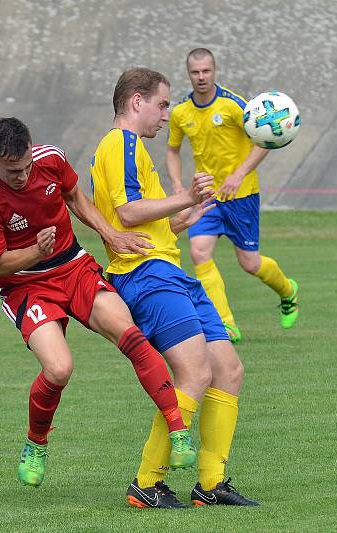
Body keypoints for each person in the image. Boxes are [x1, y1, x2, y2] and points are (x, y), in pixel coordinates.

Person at [0, 117, 197, 488]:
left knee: (131, 335)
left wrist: (111, 233)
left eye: (25, 167)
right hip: (26, 285)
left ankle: (177, 428)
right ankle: (36, 444)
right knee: (59, 369)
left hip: (73, 267)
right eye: (12, 171)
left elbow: (74, 196)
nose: (22, 176)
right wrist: (35, 252)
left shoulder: (50, 159)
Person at [90, 68, 258, 508]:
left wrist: (193, 207)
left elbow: (153, 221)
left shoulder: (134, 151)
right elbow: (127, 213)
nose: (166, 115)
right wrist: (184, 198)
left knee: (228, 370)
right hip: (146, 275)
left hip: (169, 270)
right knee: (194, 373)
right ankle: (147, 483)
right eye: (162, 104)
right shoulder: (120, 144)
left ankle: (211, 483)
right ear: (136, 101)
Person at [166, 47, 300, 343]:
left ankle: (288, 291)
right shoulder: (180, 113)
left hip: (242, 196)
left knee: (249, 263)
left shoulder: (234, 105)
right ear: (188, 74)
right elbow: (172, 150)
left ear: (215, 71)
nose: (201, 77)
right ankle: (226, 325)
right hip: (208, 197)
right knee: (199, 252)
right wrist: (177, 184)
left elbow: (263, 141)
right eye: (195, 72)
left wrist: (238, 174)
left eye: (206, 71)